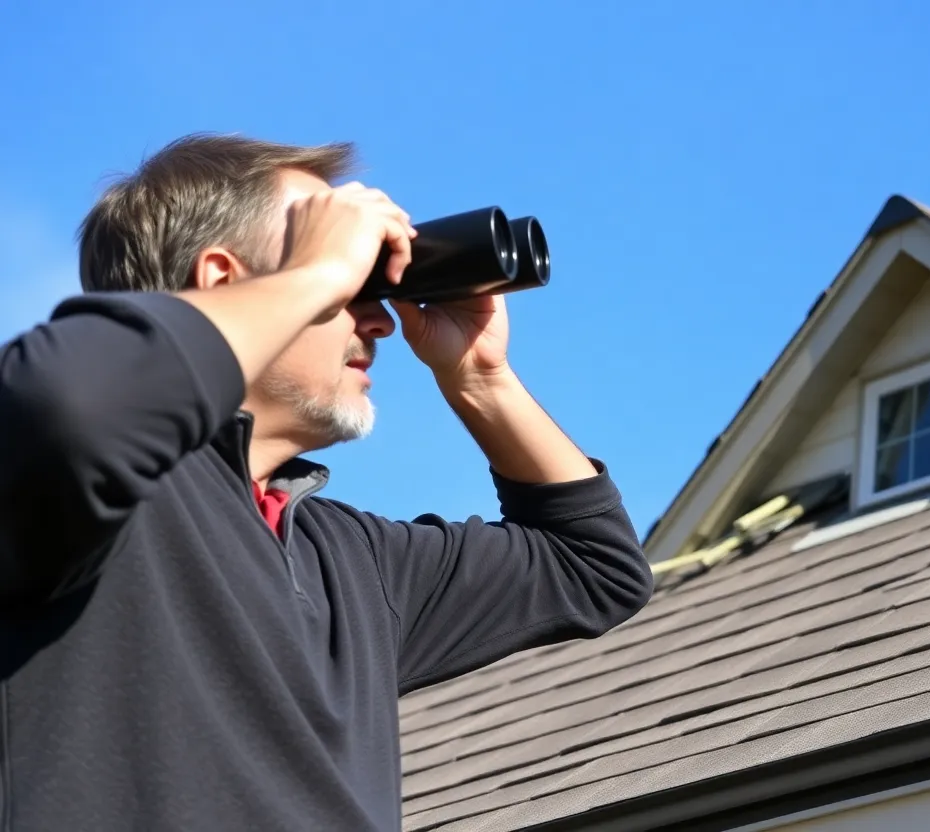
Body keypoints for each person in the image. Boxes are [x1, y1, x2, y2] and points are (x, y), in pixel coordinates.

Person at [0, 133, 654, 831]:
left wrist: (480, 380)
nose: (379, 320)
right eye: (352, 279)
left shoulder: (350, 562)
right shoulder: (96, 504)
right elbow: (71, 404)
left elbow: (594, 568)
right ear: (221, 280)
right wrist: (318, 273)